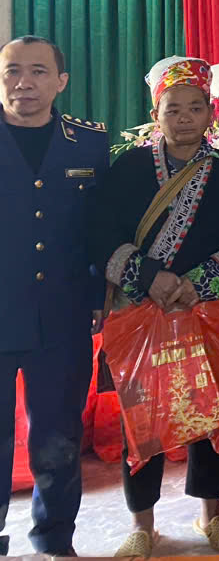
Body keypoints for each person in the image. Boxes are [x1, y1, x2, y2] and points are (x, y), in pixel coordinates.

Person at [95, 57, 219, 559]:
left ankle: (212, 513)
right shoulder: (129, 168)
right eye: (173, 108)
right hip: (143, 309)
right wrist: (149, 278)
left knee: (209, 411)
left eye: (195, 108)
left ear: (211, 113)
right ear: (155, 114)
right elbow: (101, 231)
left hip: (204, 308)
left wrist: (198, 282)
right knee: (141, 416)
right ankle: (142, 523)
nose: (184, 118)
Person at [0, 36, 107, 556]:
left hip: (62, 315)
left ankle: (54, 538)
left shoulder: (87, 143)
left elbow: (99, 227)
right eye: (12, 71)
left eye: (39, 71)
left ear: (61, 81)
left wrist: (97, 293)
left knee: (59, 435)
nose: (24, 82)